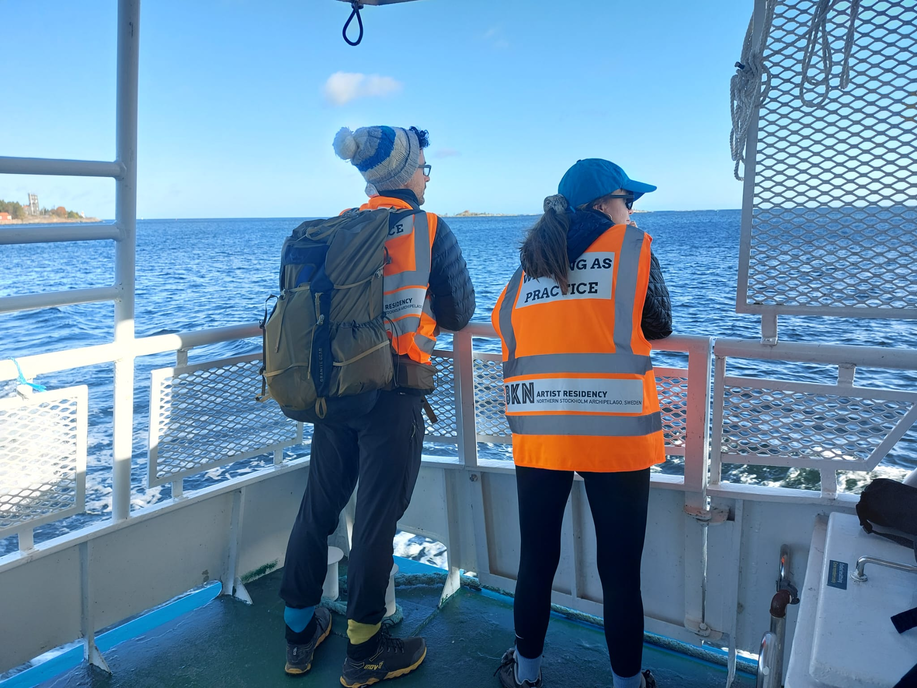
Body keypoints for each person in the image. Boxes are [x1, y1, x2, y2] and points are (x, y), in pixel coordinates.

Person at [279, 125, 475, 686]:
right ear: (408, 174)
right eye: (424, 168)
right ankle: (364, 649)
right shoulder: (429, 228)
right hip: (393, 393)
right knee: (375, 518)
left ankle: (299, 634)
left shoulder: (339, 224)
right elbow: (459, 313)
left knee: (319, 507)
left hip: (335, 388)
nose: (426, 179)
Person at [491, 158, 672, 688]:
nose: (631, 211)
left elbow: (506, 326)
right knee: (619, 572)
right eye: (627, 201)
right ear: (602, 205)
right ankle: (627, 683)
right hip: (615, 432)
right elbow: (659, 324)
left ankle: (525, 674)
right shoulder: (631, 248)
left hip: (540, 430)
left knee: (536, 559)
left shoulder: (530, 263)